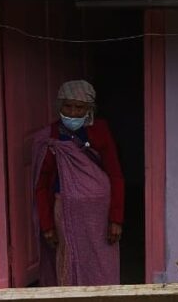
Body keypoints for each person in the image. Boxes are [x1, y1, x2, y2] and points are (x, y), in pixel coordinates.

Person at [33, 80, 125, 286]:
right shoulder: (50, 137)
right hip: (66, 214)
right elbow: (41, 186)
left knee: (102, 265)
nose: (73, 112)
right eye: (68, 106)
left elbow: (116, 175)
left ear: (89, 109)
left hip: (100, 217)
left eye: (79, 107)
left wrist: (116, 219)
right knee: (69, 261)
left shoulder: (100, 131)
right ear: (60, 106)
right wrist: (47, 226)